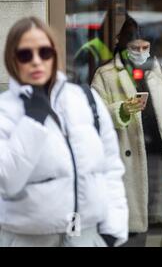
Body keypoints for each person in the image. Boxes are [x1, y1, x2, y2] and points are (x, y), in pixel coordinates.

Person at [0, 17, 128, 247]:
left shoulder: (85, 99)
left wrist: (112, 231)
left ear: (55, 54)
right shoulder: (4, 110)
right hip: (28, 240)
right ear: (13, 60)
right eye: (25, 55)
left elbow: (110, 168)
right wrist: (33, 119)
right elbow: (7, 180)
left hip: (87, 237)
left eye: (44, 52)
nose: (36, 61)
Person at [91, 16, 162, 247]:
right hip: (129, 157)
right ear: (122, 46)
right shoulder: (105, 74)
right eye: (134, 48)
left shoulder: (158, 69)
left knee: (161, 215)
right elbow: (94, 114)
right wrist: (121, 109)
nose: (140, 52)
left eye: (145, 47)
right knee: (133, 222)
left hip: (161, 154)